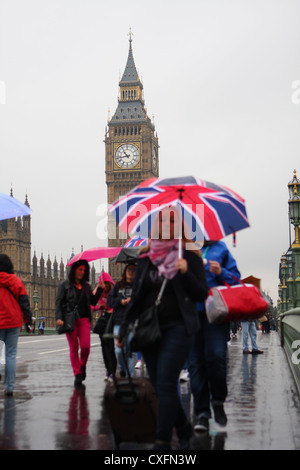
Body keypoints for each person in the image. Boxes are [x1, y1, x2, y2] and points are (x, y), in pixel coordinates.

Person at [117, 207, 208, 450]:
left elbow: (201, 293)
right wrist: (123, 327)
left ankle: (162, 442)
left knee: (167, 383)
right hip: (150, 330)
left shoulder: (189, 255)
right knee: (159, 386)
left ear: (179, 225)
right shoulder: (146, 257)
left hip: (179, 328)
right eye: (162, 220)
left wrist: (186, 272)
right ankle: (185, 428)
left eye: (171, 219)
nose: (166, 224)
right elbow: (136, 298)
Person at [187, 240, 241, 433]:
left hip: (216, 314)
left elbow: (236, 280)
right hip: (191, 313)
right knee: (195, 364)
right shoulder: (184, 249)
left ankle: (217, 401)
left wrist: (221, 272)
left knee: (216, 357)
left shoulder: (221, 249)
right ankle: (201, 413)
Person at [55, 260, 102, 386]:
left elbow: (92, 302)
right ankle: (77, 373)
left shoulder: (86, 286)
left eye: (83, 270)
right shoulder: (64, 285)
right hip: (70, 319)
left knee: (86, 347)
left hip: (84, 319)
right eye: (79, 269)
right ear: (74, 270)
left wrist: (100, 289)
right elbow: (59, 302)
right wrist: (59, 317)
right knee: (74, 347)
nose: (82, 272)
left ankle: (82, 365)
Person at [0, 254, 33, 396]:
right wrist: (28, 322)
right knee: (11, 355)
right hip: (13, 322)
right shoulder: (17, 281)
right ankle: (10, 387)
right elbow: (25, 304)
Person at [107, 263, 137, 377]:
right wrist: (121, 302)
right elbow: (109, 301)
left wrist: (133, 301)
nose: (130, 272)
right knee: (119, 350)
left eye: (133, 270)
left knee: (130, 349)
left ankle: (130, 376)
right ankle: (122, 368)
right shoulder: (118, 286)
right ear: (125, 271)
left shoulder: (138, 287)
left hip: (133, 321)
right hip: (118, 322)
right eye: (129, 269)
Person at [93, 272, 117, 380]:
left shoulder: (115, 291)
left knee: (111, 347)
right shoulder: (98, 291)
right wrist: (100, 307)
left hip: (113, 320)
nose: (105, 286)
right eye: (103, 284)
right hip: (104, 319)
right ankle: (108, 369)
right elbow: (91, 305)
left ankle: (112, 370)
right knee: (104, 347)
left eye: (107, 284)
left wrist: (110, 307)